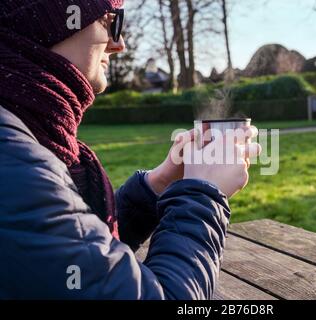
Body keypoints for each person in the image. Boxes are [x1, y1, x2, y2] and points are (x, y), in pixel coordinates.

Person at [0, 0, 261, 299]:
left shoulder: (24, 133)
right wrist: (202, 195)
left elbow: (72, 251)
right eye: (109, 20)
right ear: (45, 22)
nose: (118, 43)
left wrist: (156, 187)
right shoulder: (14, 161)